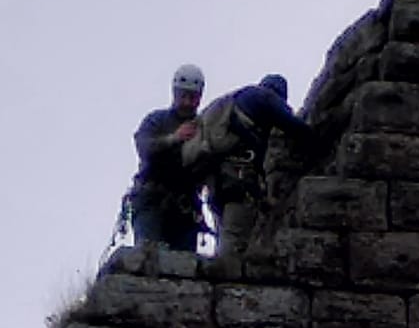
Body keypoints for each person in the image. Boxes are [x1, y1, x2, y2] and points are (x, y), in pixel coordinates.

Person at [184, 73, 317, 256]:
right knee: (235, 239)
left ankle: (221, 266)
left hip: (216, 182)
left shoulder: (232, 102)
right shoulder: (263, 97)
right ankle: (226, 271)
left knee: (226, 233)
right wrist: (320, 140)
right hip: (237, 180)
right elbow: (295, 127)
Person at [129, 64, 206, 251]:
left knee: (184, 263)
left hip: (185, 208)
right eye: (183, 96)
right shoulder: (157, 120)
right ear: (174, 93)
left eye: (193, 97)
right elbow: (144, 147)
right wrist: (174, 138)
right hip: (152, 201)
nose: (187, 102)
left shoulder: (204, 128)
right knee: (149, 256)